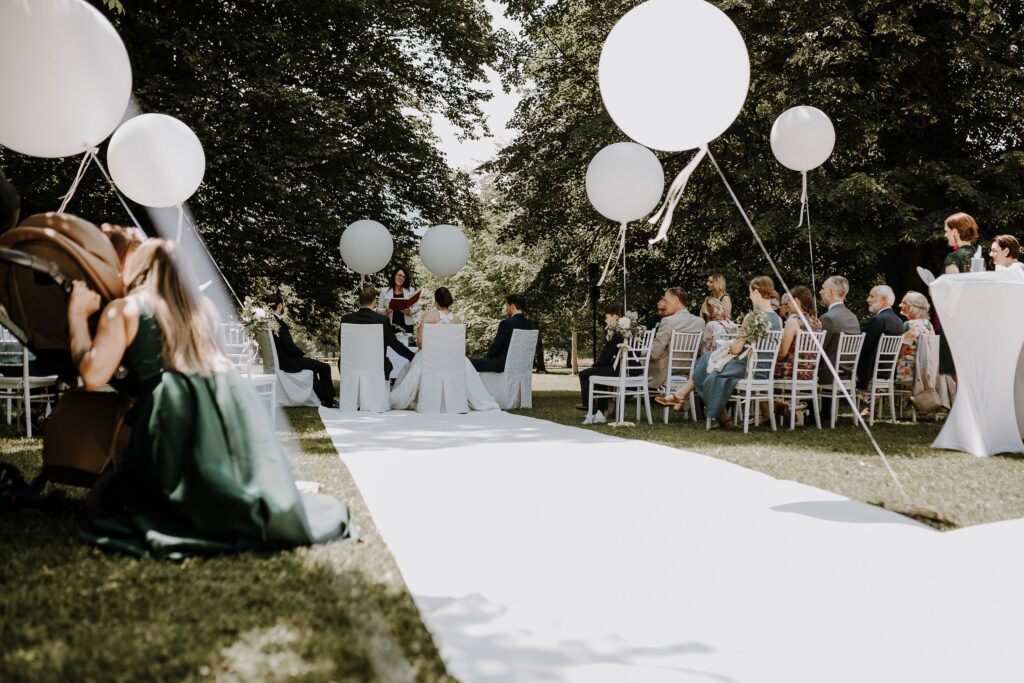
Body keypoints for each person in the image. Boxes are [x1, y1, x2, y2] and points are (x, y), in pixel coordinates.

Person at [67, 238, 355, 557]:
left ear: (139, 269)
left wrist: (77, 316)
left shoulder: (127, 308)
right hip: (227, 397)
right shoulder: (205, 309)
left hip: (172, 407)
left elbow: (93, 377)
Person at [656, 276, 783, 428]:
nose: (749, 296)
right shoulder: (778, 319)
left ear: (756, 291)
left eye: (750, 292)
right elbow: (778, 350)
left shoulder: (752, 317)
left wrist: (729, 346)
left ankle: (698, 405)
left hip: (747, 369)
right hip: (763, 370)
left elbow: (736, 349)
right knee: (708, 360)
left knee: (707, 367)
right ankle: (682, 396)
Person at [389, 287, 498, 411]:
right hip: (453, 361)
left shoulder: (428, 317)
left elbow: (420, 343)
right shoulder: (457, 320)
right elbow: (459, 346)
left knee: (410, 367)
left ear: (436, 301)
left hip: (431, 360)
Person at [267, 292, 336, 407]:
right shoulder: (278, 324)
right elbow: (289, 346)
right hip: (288, 362)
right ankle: (329, 400)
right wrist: (302, 355)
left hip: (282, 360)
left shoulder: (268, 322)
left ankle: (322, 398)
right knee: (325, 367)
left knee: (313, 368)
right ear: (279, 306)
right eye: (283, 304)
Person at [342, 287, 415, 379]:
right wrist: (412, 356)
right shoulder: (382, 320)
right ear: (374, 302)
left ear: (359, 302)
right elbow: (394, 344)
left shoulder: (346, 319)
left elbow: (342, 342)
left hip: (351, 364)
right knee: (387, 364)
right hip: (377, 364)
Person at [575, 301, 626, 421]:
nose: (605, 319)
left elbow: (606, 355)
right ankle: (600, 411)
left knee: (584, 374)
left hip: (620, 371)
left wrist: (595, 365)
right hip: (625, 369)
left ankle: (591, 410)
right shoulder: (627, 331)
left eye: (607, 316)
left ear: (615, 316)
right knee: (598, 371)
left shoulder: (619, 332)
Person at [648, 287, 704, 389]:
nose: (664, 303)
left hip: (664, 371)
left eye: (666, 300)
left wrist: (642, 353)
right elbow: (700, 350)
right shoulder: (700, 322)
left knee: (639, 360)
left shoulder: (668, 321)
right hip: (688, 370)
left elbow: (655, 354)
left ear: (676, 300)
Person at [856, 285, 904, 390]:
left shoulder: (878, 320)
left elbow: (862, 347)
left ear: (883, 300)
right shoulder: (899, 321)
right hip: (888, 373)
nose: (868, 299)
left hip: (870, 374)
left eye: (872, 296)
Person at [470, 294, 532, 373]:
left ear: (512, 306)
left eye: (507, 306)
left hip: (501, 365)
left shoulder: (506, 323)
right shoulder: (529, 324)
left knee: (468, 363)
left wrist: (488, 357)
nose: (506, 309)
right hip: (520, 365)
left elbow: (496, 347)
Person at [817, 275, 861, 383]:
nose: (820, 292)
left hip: (828, 374)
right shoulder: (853, 317)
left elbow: (817, 349)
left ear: (831, 292)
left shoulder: (828, 318)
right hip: (848, 373)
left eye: (823, 288)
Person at [774, 285, 822, 381]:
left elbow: (783, 353)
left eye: (789, 301)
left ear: (796, 301)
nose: (788, 304)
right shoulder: (817, 322)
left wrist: (771, 357)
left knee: (764, 365)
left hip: (792, 372)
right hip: (810, 372)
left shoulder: (794, 321)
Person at [895, 291, 935, 383]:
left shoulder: (910, 325)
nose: (900, 305)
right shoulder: (928, 324)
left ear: (914, 307)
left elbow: (900, 352)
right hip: (923, 371)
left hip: (906, 372)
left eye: (904, 303)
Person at [377, 267, 420, 334]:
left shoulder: (411, 290)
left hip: (407, 326)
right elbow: (378, 310)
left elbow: (417, 308)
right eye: (399, 275)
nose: (401, 278)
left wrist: (409, 311)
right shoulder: (384, 291)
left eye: (403, 277)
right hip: (389, 326)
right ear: (394, 275)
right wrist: (385, 311)